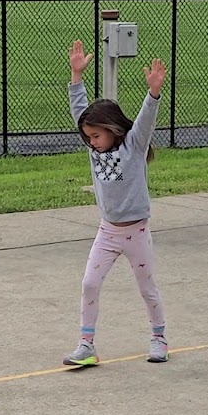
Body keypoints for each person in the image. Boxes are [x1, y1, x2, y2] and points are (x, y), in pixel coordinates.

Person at [63, 37, 168, 367]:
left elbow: (146, 119)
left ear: (112, 130)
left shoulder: (133, 146)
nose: (91, 142)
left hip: (135, 233)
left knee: (146, 287)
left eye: (96, 136)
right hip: (107, 232)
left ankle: (159, 338)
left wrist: (153, 92)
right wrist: (76, 75)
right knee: (89, 283)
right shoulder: (93, 148)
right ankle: (86, 345)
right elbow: (80, 112)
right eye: (88, 137)